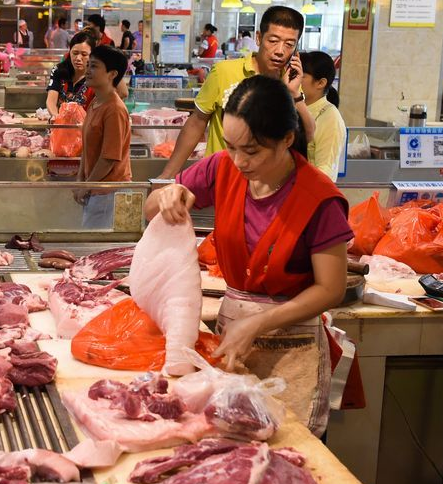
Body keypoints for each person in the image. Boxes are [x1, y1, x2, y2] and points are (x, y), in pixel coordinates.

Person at [146, 76, 351, 436]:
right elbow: (151, 208)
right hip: (231, 340)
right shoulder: (221, 167)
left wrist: (257, 324)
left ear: (287, 139)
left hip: (294, 351)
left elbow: (331, 289)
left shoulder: (320, 198)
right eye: (231, 146)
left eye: (252, 151)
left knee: (288, 457)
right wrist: (166, 197)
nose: (239, 161)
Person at [158, 6, 315, 178]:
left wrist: (293, 93)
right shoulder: (224, 72)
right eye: (273, 41)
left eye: (289, 44)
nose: (280, 51)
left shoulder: (290, 82)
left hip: (266, 185)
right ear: (259, 37)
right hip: (223, 180)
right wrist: (166, 175)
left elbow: (308, 135)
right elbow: (197, 123)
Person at [74, 46, 131, 229]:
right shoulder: (95, 103)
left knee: (98, 251)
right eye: (88, 65)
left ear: (112, 74)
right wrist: (80, 180)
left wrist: (86, 185)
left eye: (94, 66)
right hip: (95, 189)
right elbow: (87, 148)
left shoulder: (114, 109)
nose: (87, 70)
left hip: (109, 193)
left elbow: (109, 158)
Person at [301, 51, 345, 181]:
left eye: (301, 76)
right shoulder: (295, 108)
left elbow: (325, 173)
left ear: (320, 83)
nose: (294, 79)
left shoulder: (330, 118)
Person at [46, 31, 95, 117]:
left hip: (85, 127)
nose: (78, 58)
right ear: (69, 52)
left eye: (84, 54)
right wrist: (57, 117)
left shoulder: (96, 77)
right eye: (75, 53)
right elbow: (51, 100)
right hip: (59, 125)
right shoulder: (58, 70)